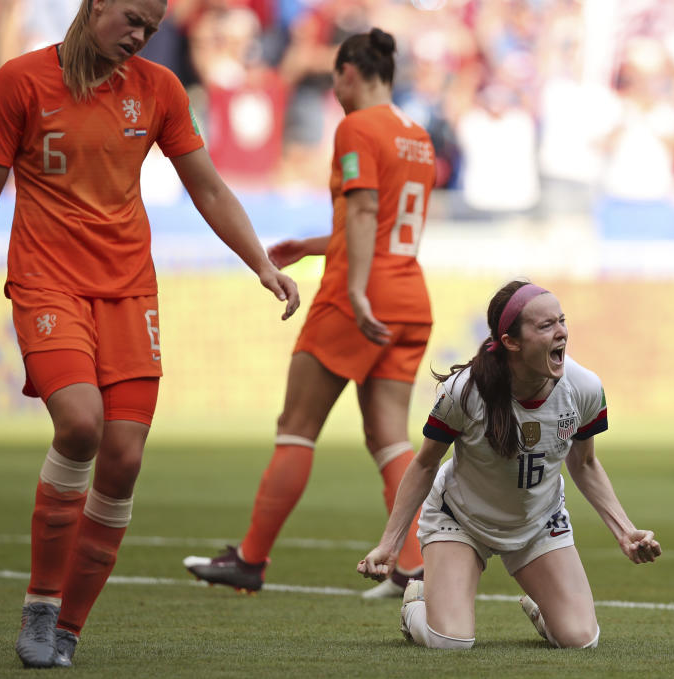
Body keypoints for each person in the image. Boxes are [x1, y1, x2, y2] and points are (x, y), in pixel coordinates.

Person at [0, 0, 300, 668]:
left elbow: (205, 186)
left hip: (130, 292)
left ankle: (67, 626)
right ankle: (39, 601)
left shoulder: (159, 89)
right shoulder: (20, 81)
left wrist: (260, 261)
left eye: (151, 26)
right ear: (93, 7)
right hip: (47, 284)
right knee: (82, 424)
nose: (141, 35)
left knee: (123, 458)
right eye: (131, 18)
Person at [184, 27, 436, 599]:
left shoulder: (355, 127)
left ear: (349, 71)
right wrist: (316, 245)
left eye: (335, 78)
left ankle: (249, 559)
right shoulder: (418, 136)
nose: (335, 89)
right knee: (389, 436)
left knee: (296, 429)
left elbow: (368, 210)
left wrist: (357, 290)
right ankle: (415, 565)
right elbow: (388, 224)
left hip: (360, 295)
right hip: (410, 296)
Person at [357, 281, 662, 649]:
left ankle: (545, 606)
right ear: (511, 342)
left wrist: (625, 531)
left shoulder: (583, 387)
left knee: (581, 639)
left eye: (561, 321)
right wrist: (389, 546)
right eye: (545, 325)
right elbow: (424, 465)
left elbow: (585, 464)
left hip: (538, 522)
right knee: (449, 642)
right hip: (461, 519)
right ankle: (415, 607)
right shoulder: (464, 392)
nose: (561, 331)